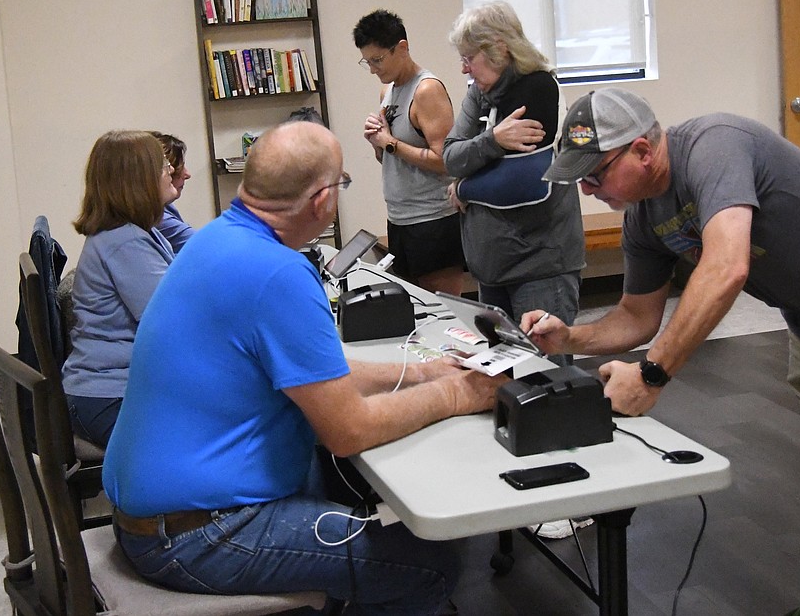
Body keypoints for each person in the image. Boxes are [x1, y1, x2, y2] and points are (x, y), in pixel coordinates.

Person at [526, 88, 800, 616]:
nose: (586, 189)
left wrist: (651, 375)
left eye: (595, 174)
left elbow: (726, 267)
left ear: (642, 151)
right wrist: (571, 338)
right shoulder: (643, 217)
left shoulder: (715, 146)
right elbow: (636, 316)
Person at [103, 120, 504, 614]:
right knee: (428, 562)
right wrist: (459, 395)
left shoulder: (217, 240)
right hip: (197, 534)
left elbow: (312, 373)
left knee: (352, 487)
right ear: (322, 200)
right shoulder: (280, 273)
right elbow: (349, 430)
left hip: (160, 514)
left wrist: (424, 374)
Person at [442, 0, 585, 334]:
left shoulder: (538, 88)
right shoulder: (480, 93)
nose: (464, 69)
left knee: (545, 377)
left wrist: (464, 187)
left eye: (468, 59)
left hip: (539, 266)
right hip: (493, 265)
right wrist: (493, 140)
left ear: (499, 49)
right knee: (501, 378)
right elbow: (450, 156)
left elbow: (526, 181)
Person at [62, 130, 176, 447]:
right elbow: (174, 321)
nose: (171, 171)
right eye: (163, 164)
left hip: (110, 388)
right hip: (108, 397)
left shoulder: (134, 234)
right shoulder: (124, 243)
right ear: (137, 180)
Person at [354, 9, 465, 296]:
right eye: (367, 62)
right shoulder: (387, 92)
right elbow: (390, 157)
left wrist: (390, 143)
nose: (372, 69)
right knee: (414, 311)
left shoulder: (427, 91)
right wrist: (377, 143)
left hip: (433, 220)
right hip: (400, 218)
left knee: (444, 311)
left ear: (401, 48)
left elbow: (445, 161)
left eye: (377, 60)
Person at [150, 131, 194, 253]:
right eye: (180, 167)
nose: (187, 174)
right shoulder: (157, 218)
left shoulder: (165, 206)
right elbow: (202, 245)